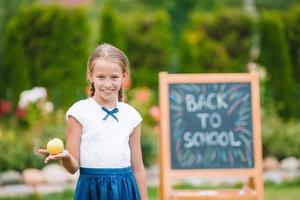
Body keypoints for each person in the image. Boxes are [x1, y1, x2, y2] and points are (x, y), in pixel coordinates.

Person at [39, 43, 148, 200]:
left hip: (125, 190)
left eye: (114, 77)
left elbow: (138, 168)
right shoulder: (78, 113)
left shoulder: (132, 116)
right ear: (90, 76)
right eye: (101, 77)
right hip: (91, 190)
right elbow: (73, 167)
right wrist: (66, 157)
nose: (108, 84)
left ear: (124, 76)